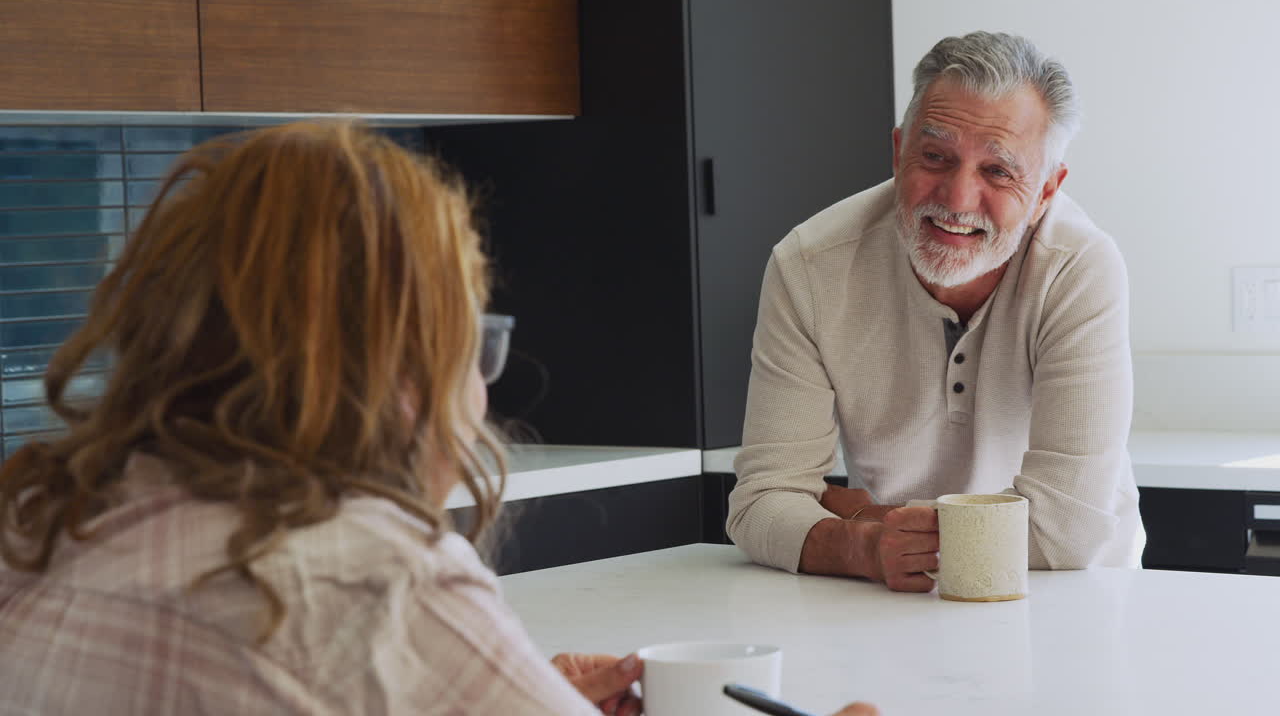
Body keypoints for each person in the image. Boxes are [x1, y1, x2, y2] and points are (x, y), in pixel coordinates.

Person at [0, 121, 877, 716]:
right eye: (466, 336)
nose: (481, 390)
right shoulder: (370, 583)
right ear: (398, 369)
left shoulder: (38, 526)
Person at [727, 31, 1143, 592]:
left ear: (1047, 189)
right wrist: (859, 545)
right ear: (898, 152)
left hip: (1072, 598)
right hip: (897, 594)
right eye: (935, 157)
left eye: (997, 171)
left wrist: (865, 516)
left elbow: (1064, 531)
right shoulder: (808, 266)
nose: (956, 199)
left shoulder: (1080, 266)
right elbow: (760, 505)